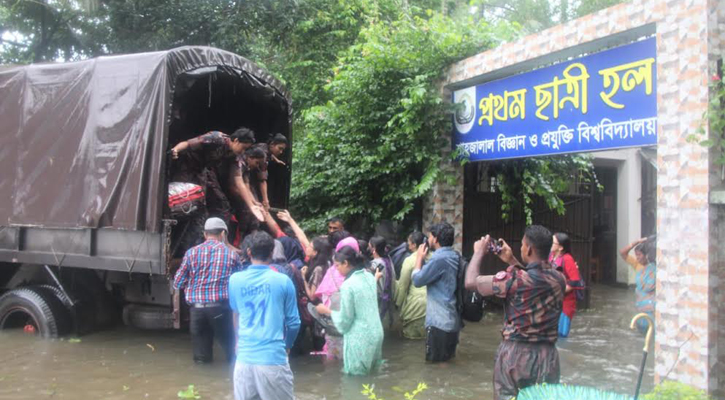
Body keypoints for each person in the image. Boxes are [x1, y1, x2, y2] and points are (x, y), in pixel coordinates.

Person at [464, 226, 566, 400]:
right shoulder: (559, 279)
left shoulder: (513, 280)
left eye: (522, 245)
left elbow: (471, 282)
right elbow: (533, 277)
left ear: (529, 249)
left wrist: (478, 252)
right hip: (548, 358)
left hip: (516, 357)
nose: (520, 248)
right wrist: (511, 259)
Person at [228, 231, 301, 400]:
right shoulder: (283, 280)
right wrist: (287, 345)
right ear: (271, 252)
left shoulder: (235, 280)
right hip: (272, 359)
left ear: (248, 253)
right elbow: (294, 323)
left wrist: (238, 342)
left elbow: (236, 314)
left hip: (244, 359)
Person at [173, 217, 240, 364]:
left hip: (197, 311)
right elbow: (239, 283)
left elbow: (178, 282)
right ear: (223, 234)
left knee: (201, 358)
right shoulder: (231, 255)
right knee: (232, 352)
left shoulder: (191, 253)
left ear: (205, 234)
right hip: (221, 309)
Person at [171, 128, 263, 225]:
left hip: (202, 170)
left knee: (202, 201)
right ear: (236, 140)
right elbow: (187, 144)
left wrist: (251, 205)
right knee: (181, 197)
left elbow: (239, 181)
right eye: (243, 148)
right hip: (186, 165)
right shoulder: (216, 138)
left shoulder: (235, 156)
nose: (243, 152)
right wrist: (176, 149)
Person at [316, 246, 384, 375]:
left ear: (346, 263)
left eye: (337, 266)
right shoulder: (369, 276)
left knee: (356, 380)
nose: (336, 269)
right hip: (376, 333)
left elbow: (345, 320)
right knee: (373, 375)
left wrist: (326, 311)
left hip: (361, 338)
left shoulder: (348, 285)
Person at [412, 222, 462, 362]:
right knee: (446, 364)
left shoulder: (439, 259)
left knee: (436, 369)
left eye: (430, 236)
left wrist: (419, 258)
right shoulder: (454, 256)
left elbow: (417, 280)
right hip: (452, 321)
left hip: (438, 323)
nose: (428, 239)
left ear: (435, 238)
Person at [619, 236, 656, 334]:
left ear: (646, 255)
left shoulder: (655, 268)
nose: (637, 257)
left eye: (639, 255)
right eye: (636, 255)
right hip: (641, 307)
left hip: (652, 308)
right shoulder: (637, 265)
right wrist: (637, 242)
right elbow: (622, 252)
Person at [395, 231, 427, 340]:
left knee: (412, 339)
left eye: (409, 242)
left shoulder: (409, 260)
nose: (407, 244)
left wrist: (398, 304)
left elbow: (403, 285)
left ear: (414, 245)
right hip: (434, 304)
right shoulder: (434, 257)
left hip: (416, 305)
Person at [549, 232, 582, 337]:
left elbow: (574, 281)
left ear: (561, 247)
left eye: (553, 242)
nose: (550, 244)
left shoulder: (567, 259)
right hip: (553, 303)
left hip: (565, 304)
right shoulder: (551, 256)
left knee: (561, 336)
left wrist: (558, 292)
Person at [369, 236, 396, 328]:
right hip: (389, 297)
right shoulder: (388, 259)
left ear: (374, 248)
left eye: (369, 245)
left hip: (379, 299)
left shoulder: (374, 264)